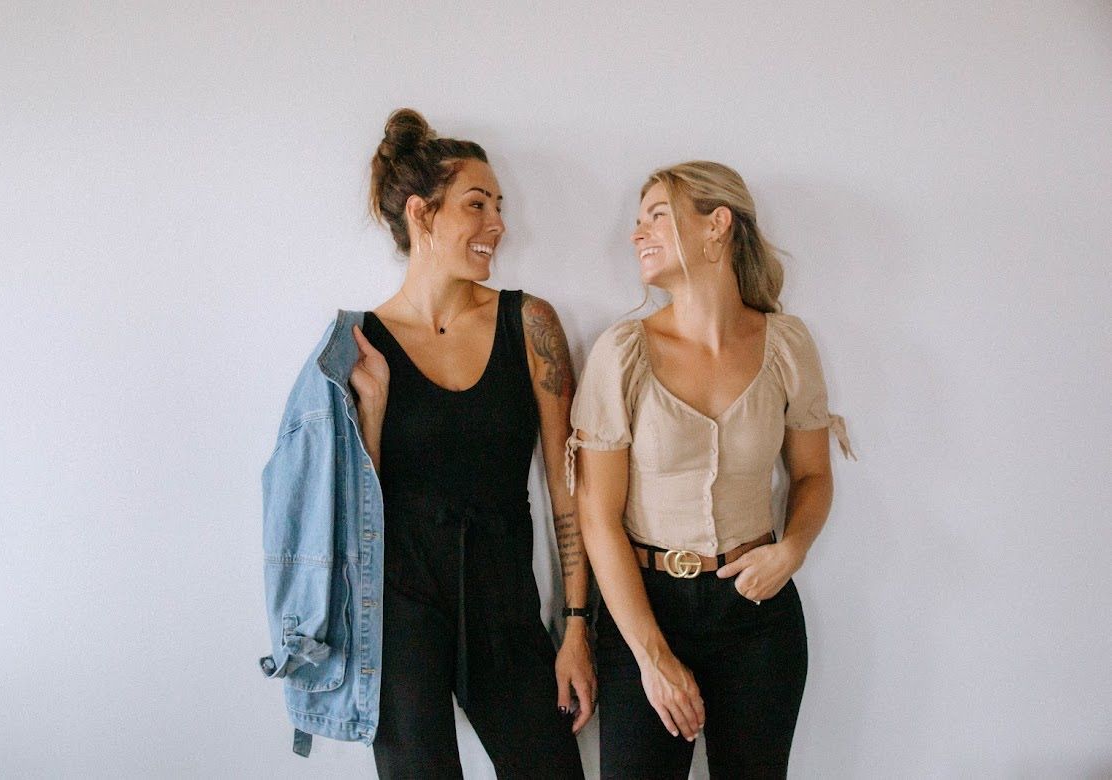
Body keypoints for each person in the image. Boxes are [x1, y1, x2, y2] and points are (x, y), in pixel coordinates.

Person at [567, 161, 854, 778]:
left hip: (758, 614)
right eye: (637, 220)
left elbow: (812, 475)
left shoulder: (787, 344)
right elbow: (596, 514)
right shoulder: (622, 352)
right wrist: (651, 656)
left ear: (716, 226)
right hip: (646, 608)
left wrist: (792, 550)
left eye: (657, 216)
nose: (636, 233)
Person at [352, 108, 591, 777]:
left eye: (499, 206)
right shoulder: (362, 342)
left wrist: (576, 625)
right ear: (424, 215)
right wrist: (370, 416)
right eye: (477, 205)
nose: (499, 225)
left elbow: (566, 486)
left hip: (503, 598)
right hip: (400, 610)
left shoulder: (530, 322)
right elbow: (354, 514)